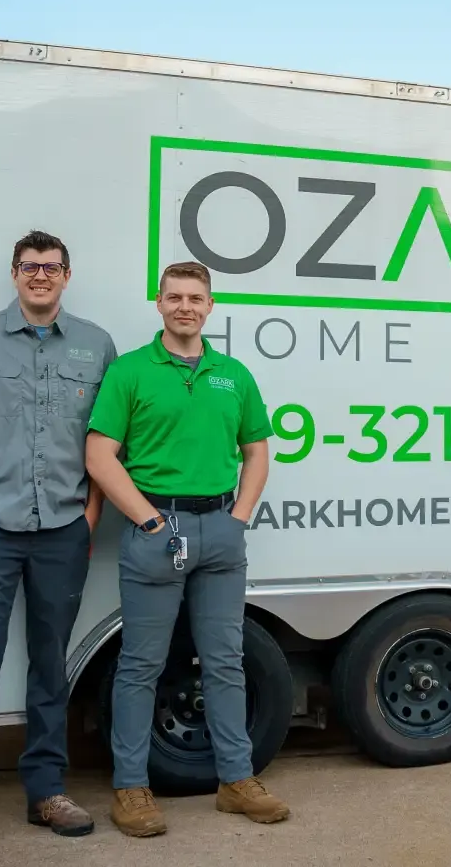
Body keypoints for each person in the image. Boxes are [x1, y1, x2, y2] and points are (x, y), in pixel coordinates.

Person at [85, 260, 288, 836]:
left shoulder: (233, 374)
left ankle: (236, 781)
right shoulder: (130, 372)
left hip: (220, 530)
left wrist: (240, 516)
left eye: (195, 298)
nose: (184, 307)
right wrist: (148, 521)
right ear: (159, 303)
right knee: (141, 664)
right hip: (157, 528)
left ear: (209, 305)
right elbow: (100, 456)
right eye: (174, 297)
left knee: (225, 661)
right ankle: (131, 789)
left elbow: (257, 449)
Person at [0, 230, 118, 861]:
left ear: (68, 275)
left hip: (63, 531)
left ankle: (48, 793)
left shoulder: (97, 345)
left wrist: (91, 516)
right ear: (14, 274)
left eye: (51, 267)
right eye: (29, 266)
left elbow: (106, 438)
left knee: (50, 667)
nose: (40, 276)